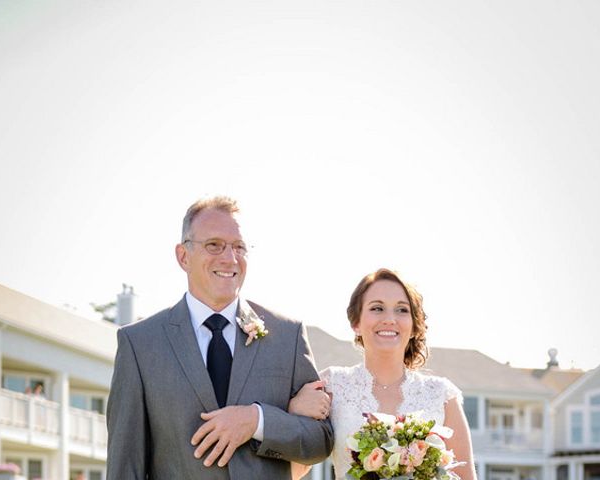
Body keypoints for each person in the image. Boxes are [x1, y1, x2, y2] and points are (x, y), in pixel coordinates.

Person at [106, 196, 333, 479]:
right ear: (183, 256)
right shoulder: (139, 344)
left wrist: (257, 421)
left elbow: (321, 441)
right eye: (214, 245)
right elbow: (125, 466)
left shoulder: (287, 335)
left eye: (239, 247)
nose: (229, 258)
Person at [289, 268, 476, 480]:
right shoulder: (332, 385)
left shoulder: (442, 395)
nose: (389, 319)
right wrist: (295, 412)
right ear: (356, 323)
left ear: (415, 326)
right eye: (377, 308)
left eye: (402, 310)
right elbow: (294, 471)